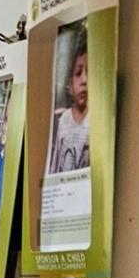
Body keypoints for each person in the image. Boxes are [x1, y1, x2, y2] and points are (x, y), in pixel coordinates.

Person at [49, 26, 91, 173]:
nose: (84, 79)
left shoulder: (94, 120)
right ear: (69, 84)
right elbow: (55, 164)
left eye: (89, 72)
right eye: (78, 73)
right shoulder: (64, 120)